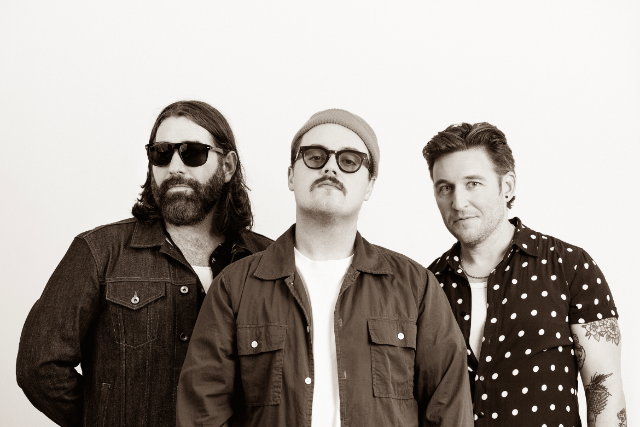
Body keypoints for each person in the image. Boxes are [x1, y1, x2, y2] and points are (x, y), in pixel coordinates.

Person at [176, 108, 473, 427]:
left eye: (349, 161)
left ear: (369, 185)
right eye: (315, 157)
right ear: (291, 176)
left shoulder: (416, 287)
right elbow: (202, 413)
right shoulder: (235, 288)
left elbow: (449, 411)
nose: (331, 167)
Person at [16, 100, 272, 427]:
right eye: (161, 153)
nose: (175, 167)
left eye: (193, 153)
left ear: (228, 166)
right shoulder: (99, 251)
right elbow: (39, 367)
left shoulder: (265, 260)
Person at [422, 122, 626, 426]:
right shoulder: (426, 284)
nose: (458, 202)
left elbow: (604, 391)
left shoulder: (570, 266)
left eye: (473, 183)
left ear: (507, 186)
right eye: (445, 188)